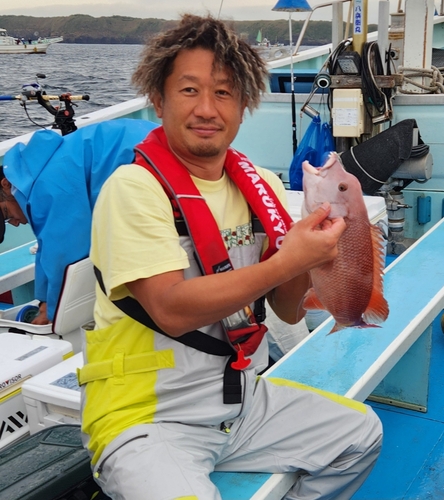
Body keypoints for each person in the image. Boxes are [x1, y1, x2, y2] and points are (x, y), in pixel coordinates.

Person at [78, 14, 383, 500]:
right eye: (189, 90)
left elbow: (285, 308)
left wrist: (315, 255)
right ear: (158, 100)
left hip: (241, 401)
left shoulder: (258, 184)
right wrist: (287, 261)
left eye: (223, 93)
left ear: (244, 106)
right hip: (149, 416)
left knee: (359, 434)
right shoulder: (133, 189)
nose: (207, 108)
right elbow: (171, 310)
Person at [0, 118, 158, 324]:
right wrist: (44, 301)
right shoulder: (38, 168)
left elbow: (67, 252)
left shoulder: (47, 187)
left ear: (6, 185)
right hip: (152, 141)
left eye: (6, 214)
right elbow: (48, 244)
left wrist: (52, 314)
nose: (13, 223)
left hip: (155, 160)